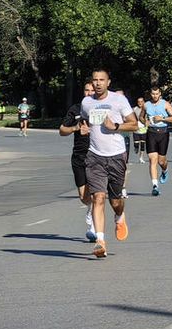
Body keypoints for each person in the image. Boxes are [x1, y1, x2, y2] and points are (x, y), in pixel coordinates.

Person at [81, 69, 139, 258]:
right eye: (95, 80)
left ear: (108, 82)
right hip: (95, 155)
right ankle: (100, 241)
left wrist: (115, 126)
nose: (97, 83)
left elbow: (134, 124)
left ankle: (120, 216)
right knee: (98, 197)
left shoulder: (118, 101)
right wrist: (83, 127)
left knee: (115, 202)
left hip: (116, 155)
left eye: (101, 80)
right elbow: (85, 120)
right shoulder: (86, 102)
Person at [59, 81, 97, 242]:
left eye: (92, 90)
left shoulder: (101, 108)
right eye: (86, 90)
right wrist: (75, 128)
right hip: (79, 156)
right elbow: (62, 130)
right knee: (83, 196)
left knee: (97, 194)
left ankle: (94, 228)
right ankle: (89, 209)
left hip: (96, 155)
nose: (88, 93)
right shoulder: (75, 109)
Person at [143, 87, 172, 196]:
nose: (155, 96)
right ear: (150, 94)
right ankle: (155, 185)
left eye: (157, 94)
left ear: (160, 94)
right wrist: (145, 121)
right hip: (151, 133)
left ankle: (165, 170)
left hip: (163, 133)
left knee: (161, 161)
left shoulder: (165, 104)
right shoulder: (146, 105)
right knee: (153, 159)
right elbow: (140, 117)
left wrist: (162, 119)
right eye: (153, 94)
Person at [133, 97, 148, 164]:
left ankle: (141, 157)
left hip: (144, 128)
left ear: (143, 102)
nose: (140, 103)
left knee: (142, 144)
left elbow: (148, 117)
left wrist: (147, 123)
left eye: (141, 101)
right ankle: (136, 147)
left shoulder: (146, 109)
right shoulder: (134, 109)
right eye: (138, 101)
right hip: (136, 128)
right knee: (136, 143)